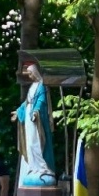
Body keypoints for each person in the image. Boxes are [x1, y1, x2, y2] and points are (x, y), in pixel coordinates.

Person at [14, 60, 57, 189]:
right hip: (28, 118)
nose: (30, 76)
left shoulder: (42, 85)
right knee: (30, 143)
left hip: (37, 120)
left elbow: (41, 101)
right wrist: (18, 111)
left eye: (31, 73)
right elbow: (27, 102)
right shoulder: (32, 86)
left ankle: (43, 168)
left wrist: (36, 112)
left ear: (36, 72)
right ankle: (34, 167)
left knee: (37, 143)